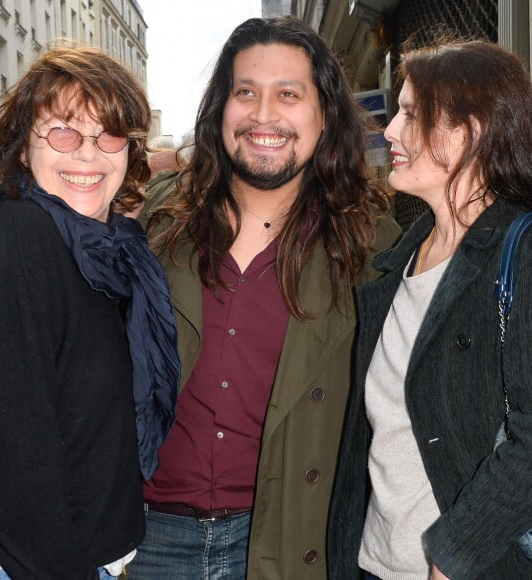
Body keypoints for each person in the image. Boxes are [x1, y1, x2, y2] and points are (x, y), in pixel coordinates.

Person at [127, 15, 401, 580]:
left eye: (288, 94)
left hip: (289, 541)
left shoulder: (370, 246)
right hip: (145, 539)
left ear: (325, 116)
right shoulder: (154, 221)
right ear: (220, 110)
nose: (263, 115)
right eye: (245, 92)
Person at [328, 39, 532, 579]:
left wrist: (452, 556)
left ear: (471, 130)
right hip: (374, 564)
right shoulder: (397, 258)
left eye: (412, 114)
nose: (390, 129)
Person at [0, 45, 180, 580]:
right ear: (23, 148)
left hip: (88, 551)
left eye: (109, 136)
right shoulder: (20, 239)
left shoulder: (114, 251)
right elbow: (16, 449)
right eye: (63, 132)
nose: (89, 155)